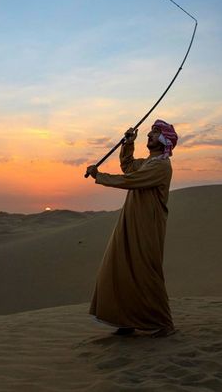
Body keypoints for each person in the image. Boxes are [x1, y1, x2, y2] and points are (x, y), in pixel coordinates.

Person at [85, 119, 178, 337]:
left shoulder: (161, 166)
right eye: (149, 132)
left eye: (155, 133)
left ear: (164, 139)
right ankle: (126, 320)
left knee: (145, 270)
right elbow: (128, 166)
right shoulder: (148, 162)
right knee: (122, 266)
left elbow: (130, 180)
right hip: (131, 219)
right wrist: (128, 143)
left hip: (147, 224)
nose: (150, 135)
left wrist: (100, 176)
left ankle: (164, 323)